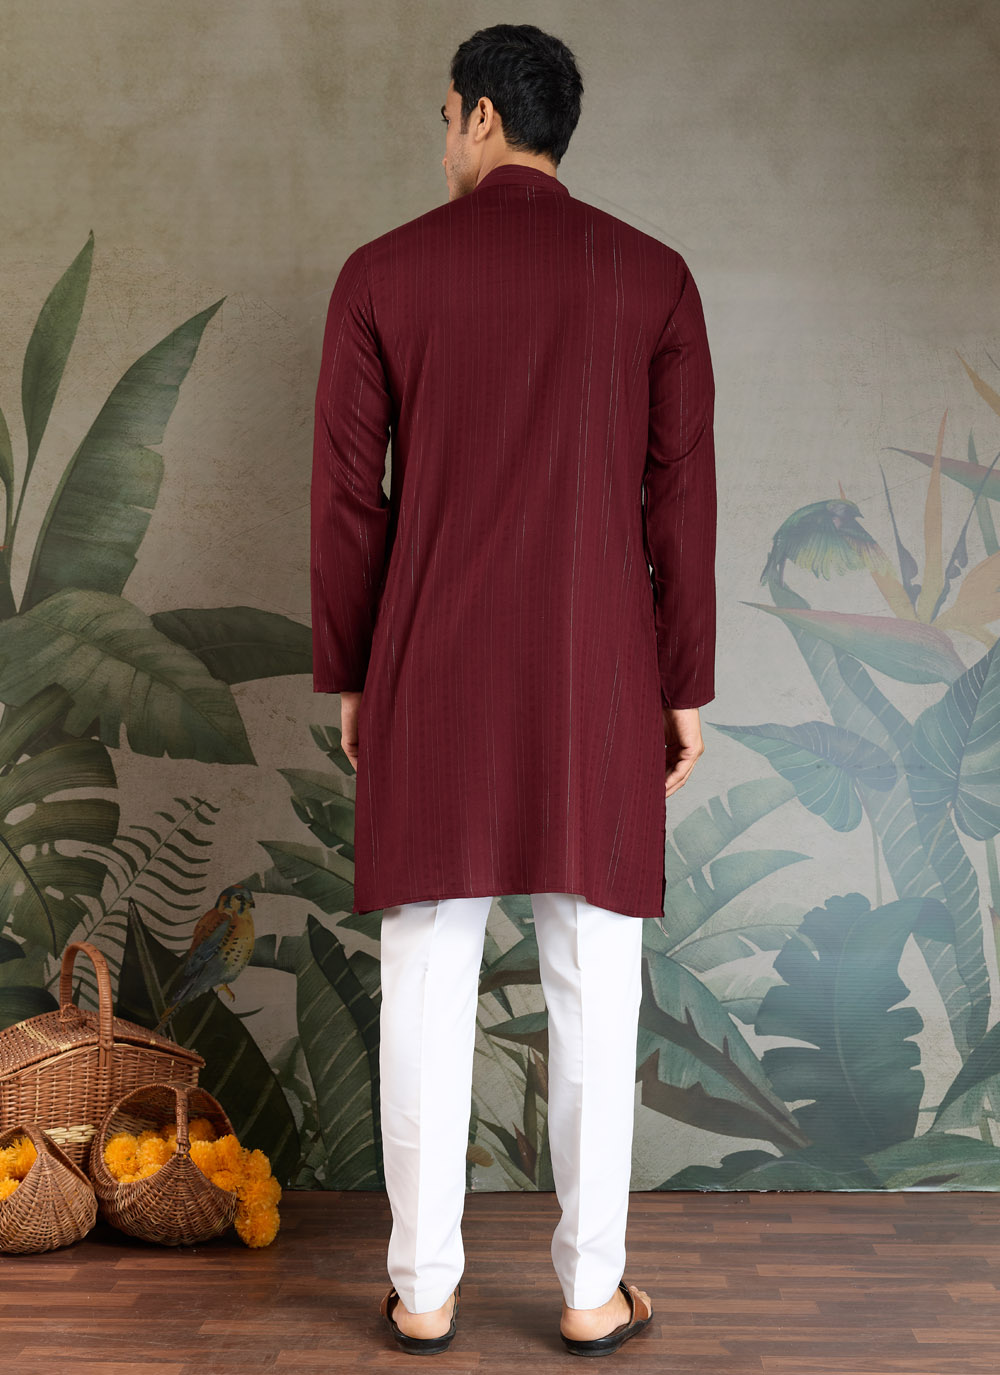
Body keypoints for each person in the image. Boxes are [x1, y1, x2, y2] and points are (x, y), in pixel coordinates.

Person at [311, 22, 716, 1358]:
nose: (442, 143)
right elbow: (679, 502)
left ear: (482, 116)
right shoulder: (653, 277)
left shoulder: (381, 275)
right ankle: (591, 1293)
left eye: (445, 118)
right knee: (598, 980)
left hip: (432, 668)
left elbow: (349, 504)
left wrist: (353, 672)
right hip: (599, 675)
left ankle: (423, 1290)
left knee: (426, 978)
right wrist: (682, 681)